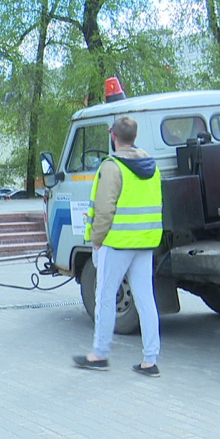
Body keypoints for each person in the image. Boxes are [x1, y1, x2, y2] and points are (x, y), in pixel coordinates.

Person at [74, 115, 163, 377]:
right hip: (145, 242)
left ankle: (99, 354)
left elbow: (104, 210)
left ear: (114, 136)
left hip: (117, 243)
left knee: (104, 298)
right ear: (134, 137)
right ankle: (150, 360)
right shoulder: (152, 167)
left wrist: (97, 241)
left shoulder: (112, 167)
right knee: (146, 300)